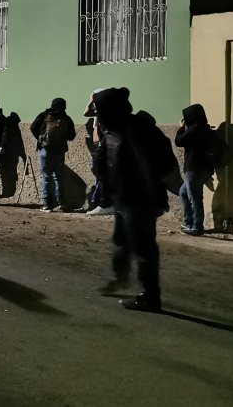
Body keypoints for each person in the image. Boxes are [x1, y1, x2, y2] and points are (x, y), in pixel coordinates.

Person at [92, 87, 177, 312]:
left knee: (144, 248)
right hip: (124, 199)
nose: (98, 116)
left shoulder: (140, 129)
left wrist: (157, 192)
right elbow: (108, 161)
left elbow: (164, 162)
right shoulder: (113, 128)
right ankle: (120, 277)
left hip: (142, 201)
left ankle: (151, 297)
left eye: (100, 111)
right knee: (122, 240)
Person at [30, 97, 76, 212]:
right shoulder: (66, 118)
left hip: (45, 150)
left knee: (46, 177)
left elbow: (32, 127)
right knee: (59, 178)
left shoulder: (44, 115)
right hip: (59, 151)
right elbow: (72, 136)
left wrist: (41, 139)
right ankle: (62, 204)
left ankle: (47, 205)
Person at [175, 103, 214, 236]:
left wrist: (181, 128)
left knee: (195, 197)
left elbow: (179, 141)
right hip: (204, 169)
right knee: (184, 192)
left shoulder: (194, 129)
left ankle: (197, 226)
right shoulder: (205, 129)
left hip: (194, 168)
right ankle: (188, 222)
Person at [83, 89, 115, 215]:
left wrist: (92, 100)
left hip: (109, 144)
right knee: (101, 172)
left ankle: (106, 204)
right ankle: (107, 203)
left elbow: (86, 112)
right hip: (108, 144)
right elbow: (87, 113)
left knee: (100, 170)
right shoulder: (110, 109)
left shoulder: (107, 110)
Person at [0, 111, 26, 199]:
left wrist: (1, 147)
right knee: (11, 173)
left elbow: (4, 138)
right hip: (12, 155)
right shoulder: (14, 127)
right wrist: (23, 155)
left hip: (5, 154)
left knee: (5, 173)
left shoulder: (6, 126)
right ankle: (10, 191)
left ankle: (6, 191)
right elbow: (20, 142)